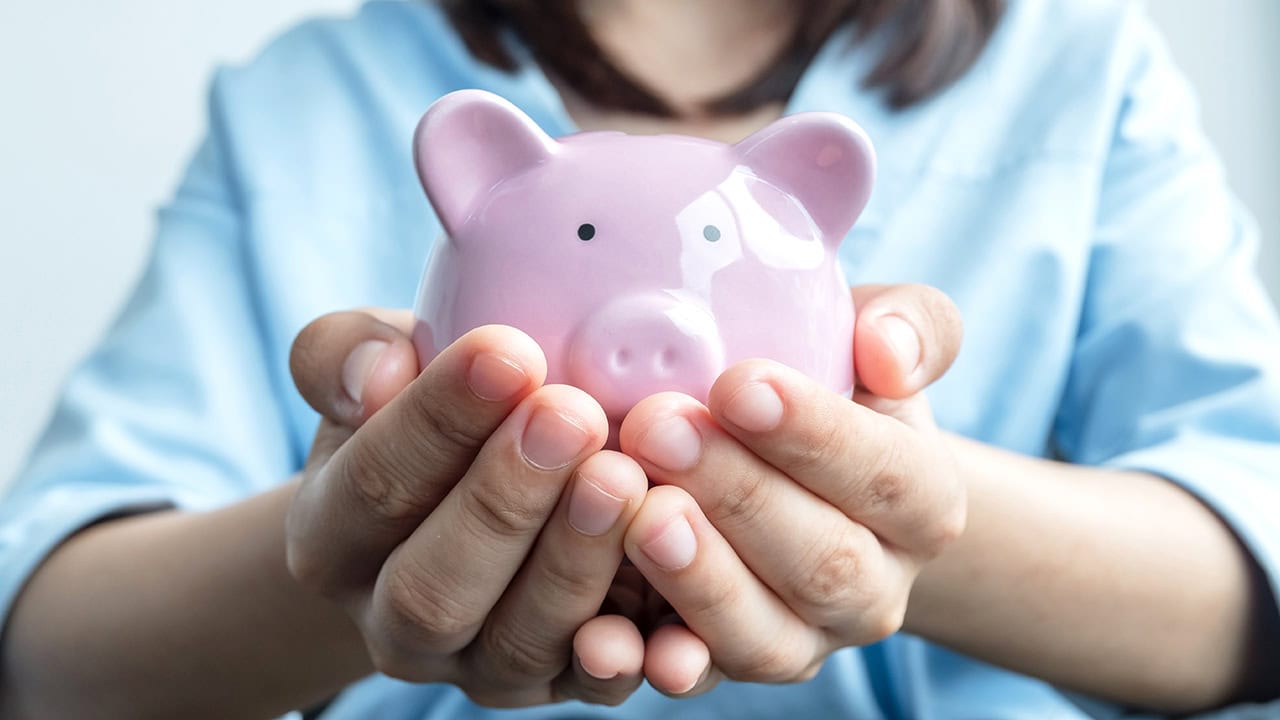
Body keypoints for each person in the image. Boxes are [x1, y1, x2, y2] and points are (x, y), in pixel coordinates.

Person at [1, 0, 1278, 717]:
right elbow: (49, 650)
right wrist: (361, 540)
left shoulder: (1081, 74)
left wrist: (883, 503)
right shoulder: (296, 102)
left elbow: (1249, 570)